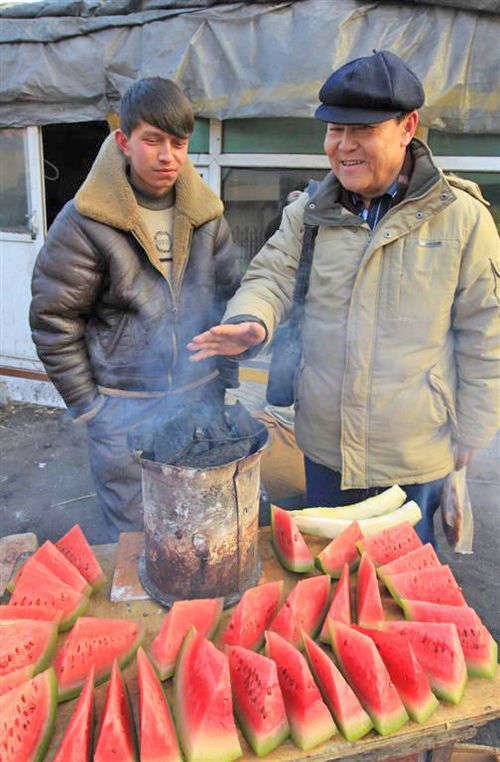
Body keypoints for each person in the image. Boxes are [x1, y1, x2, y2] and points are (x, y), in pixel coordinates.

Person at [188, 50, 500, 546]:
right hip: (326, 448)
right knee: (325, 582)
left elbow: (485, 336)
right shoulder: (309, 212)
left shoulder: (462, 219)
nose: (344, 146)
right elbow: (270, 274)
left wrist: (475, 432)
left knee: (398, 596)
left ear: (407, 126)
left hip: (414, 453)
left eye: (364, 130)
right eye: (335, 130)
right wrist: (253, 320)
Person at [30, 77, 241, 541]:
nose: (167, 156)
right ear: (124, 141)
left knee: (204, 531)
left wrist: (228, 370)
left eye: (179, 143)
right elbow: (53, 321)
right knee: (134, 538)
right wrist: (90, 408)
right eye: (153, 140)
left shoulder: (207, 216)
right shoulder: (85, 222)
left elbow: (232, 296)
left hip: (199, 399)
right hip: (124, 412)